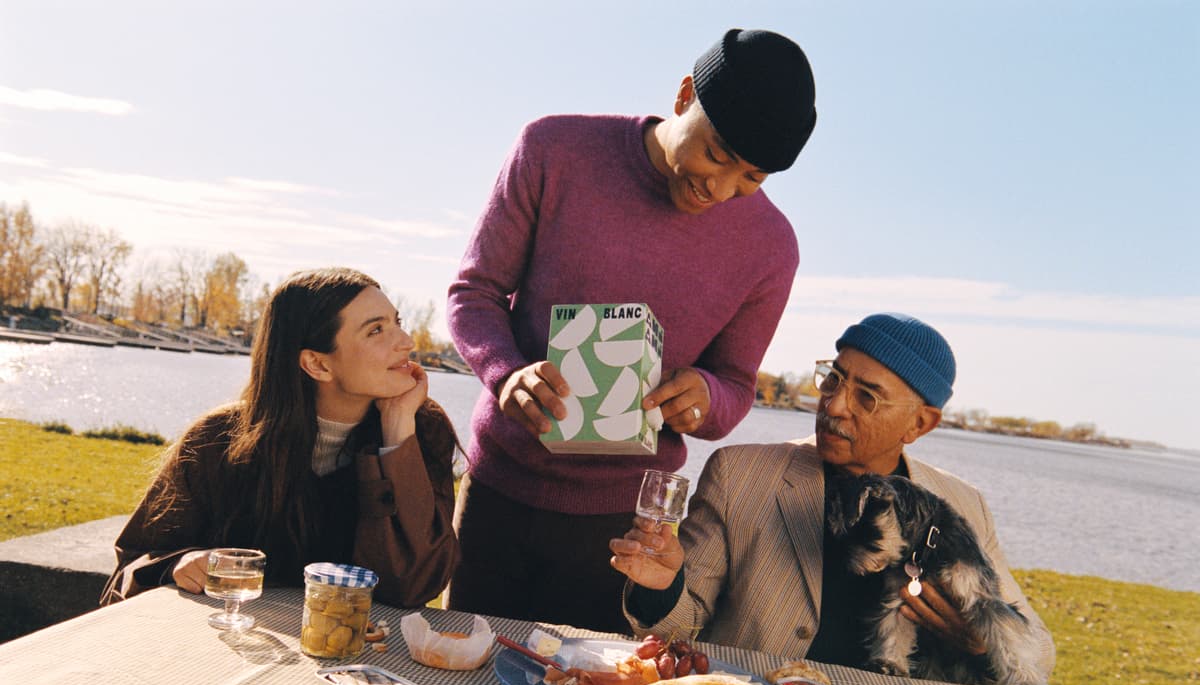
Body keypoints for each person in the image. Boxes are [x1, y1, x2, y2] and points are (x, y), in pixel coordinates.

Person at [445, 29, 818, 632]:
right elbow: (474, 293)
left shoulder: (773, 248)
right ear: (684, 94)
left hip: (626, 526)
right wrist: (506, 372)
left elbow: (736, 388)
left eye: (752, 178)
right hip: (499, 497)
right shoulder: (553, 148)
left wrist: (706, 396)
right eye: (718, 154)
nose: (719, 189)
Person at [610, 312, 1056, 685]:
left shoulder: (962, 504)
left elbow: (1040, 651)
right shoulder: (739, 474)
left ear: (919, 424)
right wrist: (661, 585)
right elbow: (683, 625)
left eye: (867, 397)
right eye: (834, 379)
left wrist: (978, 641)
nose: (835, 405)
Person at [100, 267, 460, 608]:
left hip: (363, 658)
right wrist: (182, 563)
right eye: (376, 330)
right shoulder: (215, 442)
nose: (407, 342)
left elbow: (417, 585)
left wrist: (396, 438)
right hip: (232, 651)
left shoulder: (423, 430)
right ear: (317, 364)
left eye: (397, 323)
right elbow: (130, 570)